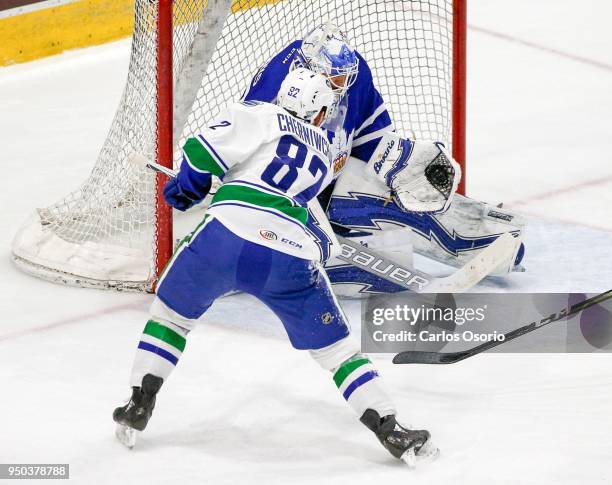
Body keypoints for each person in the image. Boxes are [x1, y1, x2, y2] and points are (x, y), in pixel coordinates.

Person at [113, 68, 438, 466]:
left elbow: (201, 152)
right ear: (318, 113)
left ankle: (139, 402)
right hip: (289, 254)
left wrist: (189, 187)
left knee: (171, 318)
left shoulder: (258, 114)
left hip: (225, 238)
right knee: (338, 352)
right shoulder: (321, 150)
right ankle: (390, 428)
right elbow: (306, 219)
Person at [242, 22, 524, 295]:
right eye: (335, 81)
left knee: (383, 192)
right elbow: (255, 175)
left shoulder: (352, 75)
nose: (341, 86)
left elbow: (371, 135)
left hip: (332, 183)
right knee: (329, 267)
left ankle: (478, 235)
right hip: (282, 204)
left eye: (344, 79)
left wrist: (401, 163)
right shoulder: (272, 94)